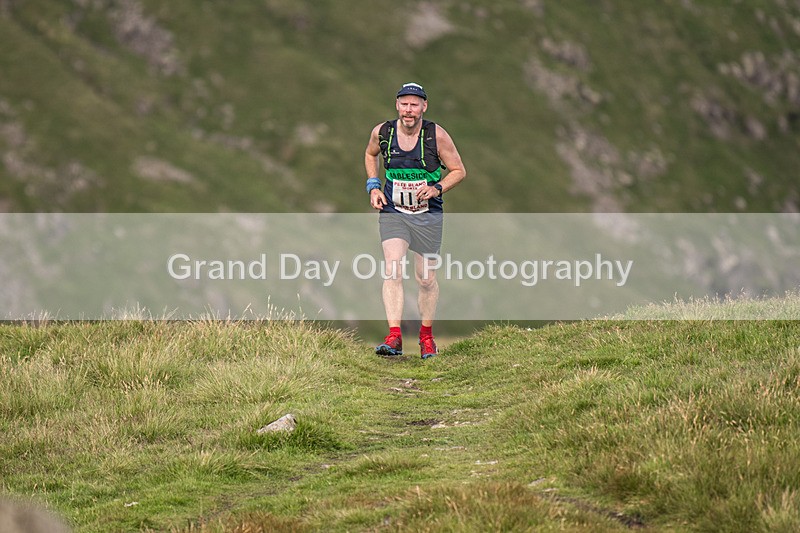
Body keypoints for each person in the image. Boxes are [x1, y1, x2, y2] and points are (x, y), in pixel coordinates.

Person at [363, 82, 467, 359]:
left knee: (426, 280)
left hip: (428, 215)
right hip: (394, 211)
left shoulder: (436, 136)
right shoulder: (382, 132)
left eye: (414, 104)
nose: (409, 110)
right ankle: (394, 337)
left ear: (424, 107)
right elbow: (370, 154)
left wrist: (437, 188)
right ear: (397, 105)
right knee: (393, 269)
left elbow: (459, 170)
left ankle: (426, 338)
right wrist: (373, 185)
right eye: (404, 104)